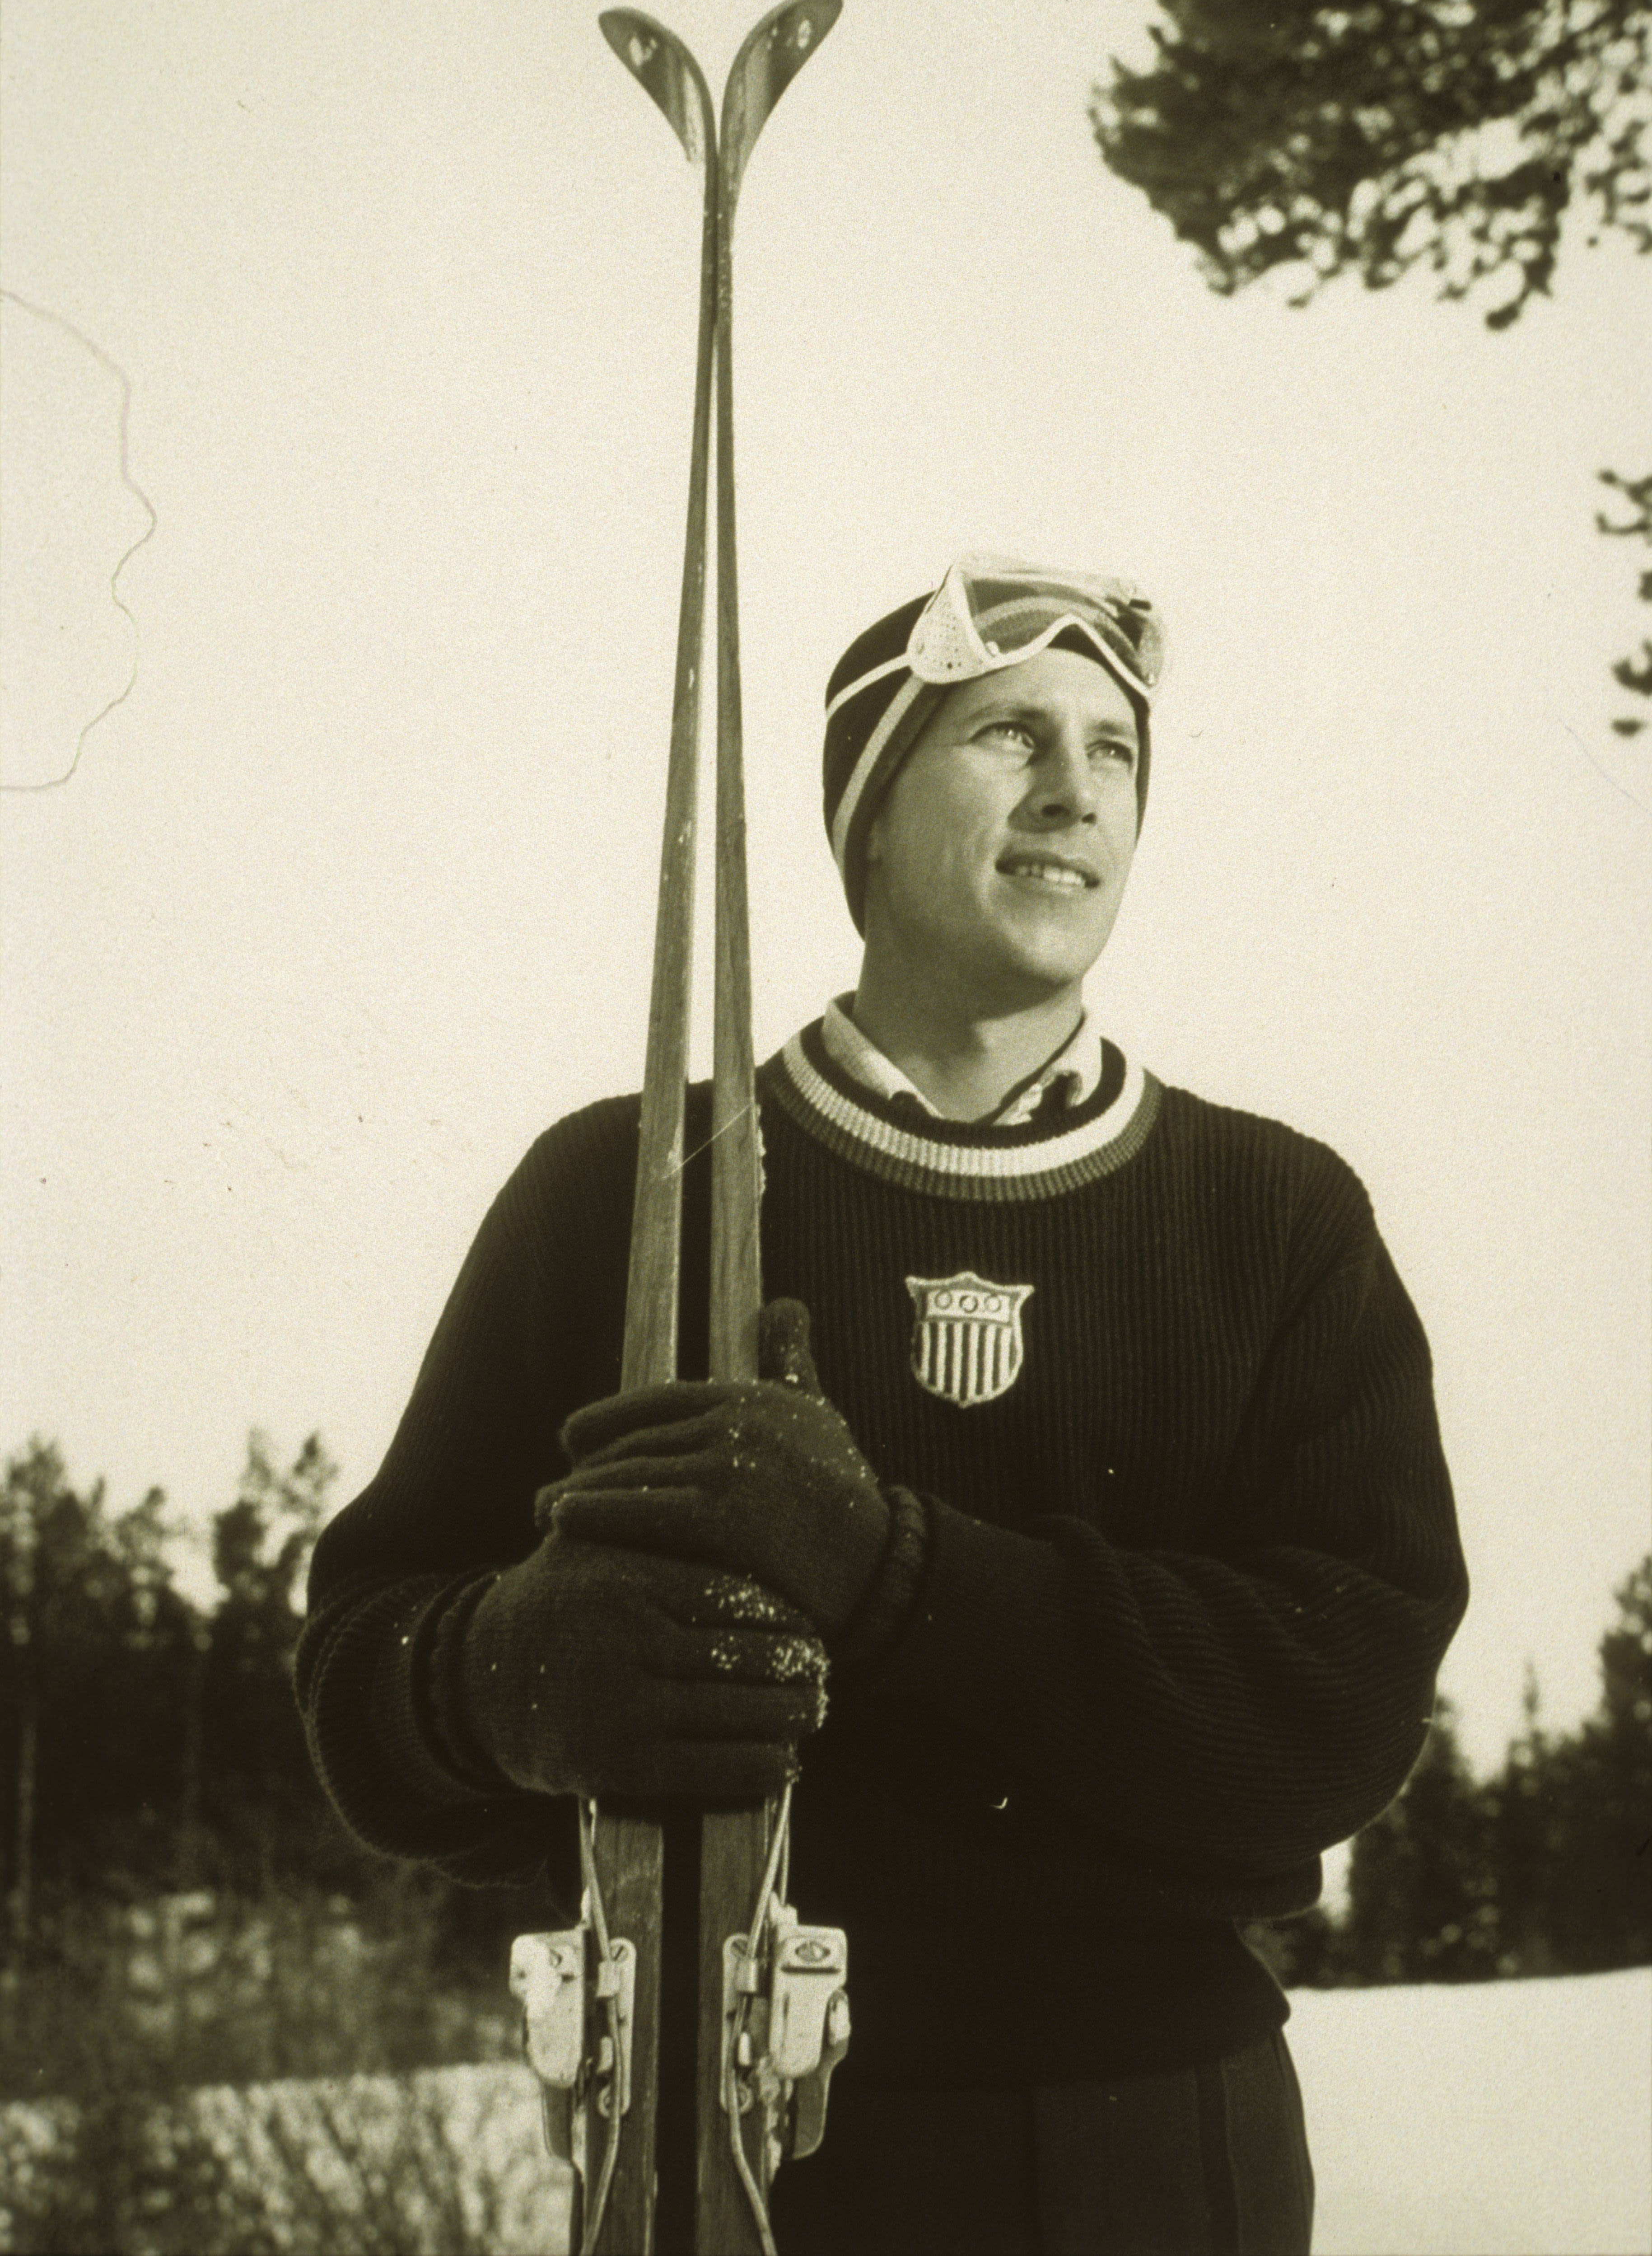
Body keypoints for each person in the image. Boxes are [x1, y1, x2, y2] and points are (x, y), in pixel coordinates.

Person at [298, 556, 1469, 2254]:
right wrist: (497, 1681)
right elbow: (356, 1683)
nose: (1077, 790)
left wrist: (896, 1574)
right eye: (1007, 733)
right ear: (862, 815)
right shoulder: (622, 1191)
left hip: (1155, 2142)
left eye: (1116, 750)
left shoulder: (1272, 1215)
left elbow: (1340, 1710)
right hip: (709, 2138)